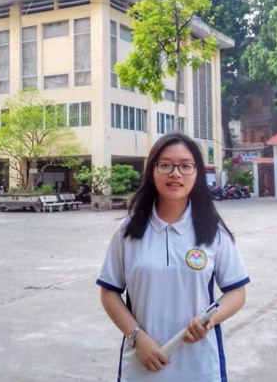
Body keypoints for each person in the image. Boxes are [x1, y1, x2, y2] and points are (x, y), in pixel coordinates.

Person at [96, 133, 250, 381]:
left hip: (200, 366)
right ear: (152, 171)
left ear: (197, 174)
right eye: (166, 165)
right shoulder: (128, 231)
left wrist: (209, 321)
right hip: (142, 366)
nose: (175, 174)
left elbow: (237, 292)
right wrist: (138, 337)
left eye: (185, 166)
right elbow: (109, 293)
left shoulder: (213, 231)